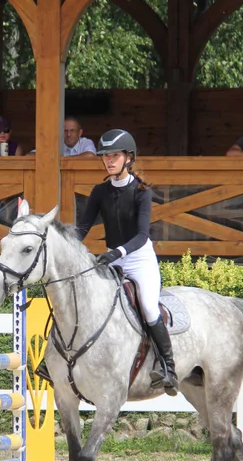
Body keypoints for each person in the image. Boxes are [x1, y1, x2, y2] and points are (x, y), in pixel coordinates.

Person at [70, 128, 177, 394]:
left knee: (149, 308)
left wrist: (116, 253)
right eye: (105, 156)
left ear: (128, 158)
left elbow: (141, 236)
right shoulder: (99, 191)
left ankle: (168, 367)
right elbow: (82, 229)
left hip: (139, 260)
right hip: (113, 261)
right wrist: (66, 246)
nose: (109, 160)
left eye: (115, 155)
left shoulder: (142, 192)